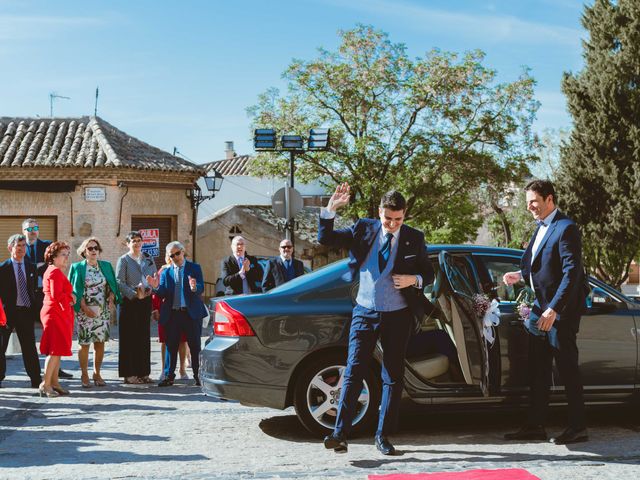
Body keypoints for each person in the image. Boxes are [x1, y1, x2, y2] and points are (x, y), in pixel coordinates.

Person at [318, 183, 434, 455]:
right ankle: (340, 434)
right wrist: (330, 210)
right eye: (388, 219)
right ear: (380, 212)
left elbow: (428, 275)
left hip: (398, 315)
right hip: (365, 311)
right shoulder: (363, 228)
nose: (393, 224)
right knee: (354, 370)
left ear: (404, 215)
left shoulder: (414, 238)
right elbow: (327, 239)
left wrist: (413, 279)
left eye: (398, 219)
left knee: (392, 376)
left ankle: (383, 435)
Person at [503, 179, 589, 445]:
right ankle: (535, 425)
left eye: (534, 202)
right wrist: (519, 275)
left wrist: (554, 308)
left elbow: (571, 274)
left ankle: (578, 427)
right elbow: (540, 268)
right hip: (539, 310)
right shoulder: (540, 227)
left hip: (558, 313)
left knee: (567, 369)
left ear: (549, 199)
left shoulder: (566, 228)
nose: (530, 207)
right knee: (537, 370)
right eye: (528, 202)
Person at [147, 241, 207, 387]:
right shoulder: (166, 272)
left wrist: (194, 287)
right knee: (170, 346)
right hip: (172, 314)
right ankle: (169, 376)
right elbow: (163, 294)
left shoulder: (194, 268)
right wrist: (155, 287)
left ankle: (198, 376)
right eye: (171, 255)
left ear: (183, 251)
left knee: (195, 346)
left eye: (177, 253)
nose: (175, 257)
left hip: (190, 313)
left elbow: (201, 287)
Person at [22, 218, 73, 380]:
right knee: (29, 337)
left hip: (47, 295)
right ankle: (37, 373)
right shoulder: (21, 248)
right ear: (23, 231)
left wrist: (35, 267)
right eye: (29, 229)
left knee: (53, 333)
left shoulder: (47, 246)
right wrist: (35, 267)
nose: (32, 231)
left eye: (35, 227)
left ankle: (56, 370)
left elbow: (50, 265)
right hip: (29, 295)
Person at [69, 238, 122, 388]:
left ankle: (97, 373)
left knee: (100, 343)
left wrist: (112, 297)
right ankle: (84, 374)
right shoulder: (77, 267)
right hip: (84, 311)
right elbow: (73, 290)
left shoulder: (105, 266)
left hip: (102, 311)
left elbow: (112, 285)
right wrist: (84, 308)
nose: (93, 251)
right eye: (90, 248)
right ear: (84, 252)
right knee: (84, 343)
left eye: (96, 248)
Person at [0, 234, 42, 389]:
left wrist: (38, 311)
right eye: (19, 246)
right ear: (10, 247)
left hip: (26, 312)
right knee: (1, 347)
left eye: (24, 246)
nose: (22, 249)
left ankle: (36, 379)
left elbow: (35, 291)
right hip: (7, 314)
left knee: (29, 347)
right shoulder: (2, 268)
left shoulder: (31, 266)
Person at [116, 231, 157, 385]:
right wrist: (134, 294)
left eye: (139, 240)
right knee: (129, 339)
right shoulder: (124, 260)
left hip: (145, 301)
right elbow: (119, 282)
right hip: (129, 302)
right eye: (133, 241)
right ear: (128, 244)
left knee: (143, 337)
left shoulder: (148, 258)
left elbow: (153, 277)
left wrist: (151, 287)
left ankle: (143, 372)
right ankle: (129, 374)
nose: (137, 243)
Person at [39, 241, 75, 397]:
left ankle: (54, 382)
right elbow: (56, 295)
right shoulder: (54, 271)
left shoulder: (55, 270)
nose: (66, 258)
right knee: (54, 351)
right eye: (63, 255)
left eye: (67, 254)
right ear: (53, 257)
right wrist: (71, 297)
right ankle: (45, 384)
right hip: (54, 314)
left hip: (58, 313)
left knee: (57, 349)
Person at [152, 255, 190, 382]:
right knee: (165, 341)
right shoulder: (162, 271)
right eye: (169, 255)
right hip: (166, 312)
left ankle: (182, 370)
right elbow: (156, 293)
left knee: (182, 341)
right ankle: (164, 370)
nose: (172, 258)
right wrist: (156, 309)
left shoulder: (186, 269)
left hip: (182, 311)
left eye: (175, 255)